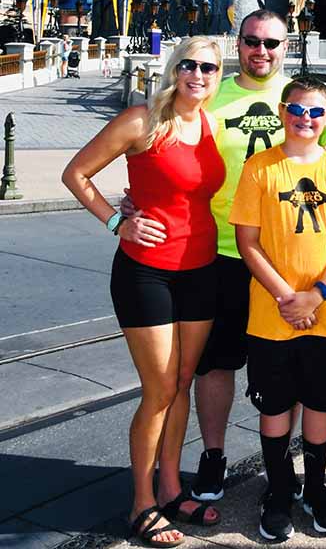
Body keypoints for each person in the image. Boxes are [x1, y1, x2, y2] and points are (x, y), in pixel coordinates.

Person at [62, 38, 226, 545]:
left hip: (201, 268)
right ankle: (141, 502)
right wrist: (117, 221)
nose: (198, 74)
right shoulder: (142, 121)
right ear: (175, 69)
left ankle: (172, 488)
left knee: (182, 383)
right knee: (158, 390)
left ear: (217, 75)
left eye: (208, 67)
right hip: (146, 271)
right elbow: (76, 173)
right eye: (189, 64)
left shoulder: (211, 124)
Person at [189, 9, 326, 504]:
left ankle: (285, 468)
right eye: (252, 40)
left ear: (286, 46)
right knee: (216, 364)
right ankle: (214, 455)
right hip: (221, 250)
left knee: (289, 370)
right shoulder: (210, 95)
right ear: (237, 43)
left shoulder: (307, 100)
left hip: (289, 263)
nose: (262, 50)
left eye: (272, 42)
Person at [231, 76, 326, 542]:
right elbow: (248, 241)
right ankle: (279, 488)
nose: (305, 119)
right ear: (282, 112)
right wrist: (288, 296)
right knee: (275, 405)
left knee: (321, 404)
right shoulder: (259, 168)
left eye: (316, 112)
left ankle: (317, 487)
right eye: (297, 110)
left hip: (324, 313)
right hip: (273, 313)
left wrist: (318, 294)